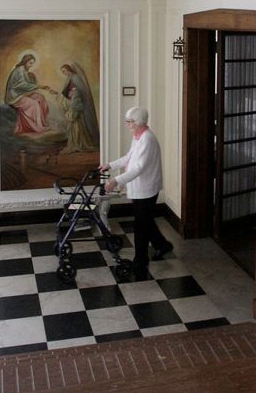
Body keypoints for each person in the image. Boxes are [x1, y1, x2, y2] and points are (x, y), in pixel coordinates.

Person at [99, 106, 173, 280]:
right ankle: (163, 245)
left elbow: (138, 168)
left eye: (130, 121)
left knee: (141, 226)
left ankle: (140, 261)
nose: (128, 125)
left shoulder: (147, 139)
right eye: (127, 121)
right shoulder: (138, 137)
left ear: (140, 122)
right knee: (145, 220)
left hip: (146, 189)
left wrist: (115, 181)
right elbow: (129, 158)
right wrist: (110, 165)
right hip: (141, 188)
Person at [4, 53, 51, 135]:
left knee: (41, 98)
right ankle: (38, 128)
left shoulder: (25, 71)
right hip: (14, 96)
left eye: (33, 63)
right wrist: (39, 86)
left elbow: (28, 83)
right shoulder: (19, 70)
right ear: (25, 62)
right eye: (30, 63)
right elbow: (22, 85)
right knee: (34, 104)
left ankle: (42, 123)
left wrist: (34, 81)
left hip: (22, 93)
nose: (31, 65)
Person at [59, 63, 100, 147]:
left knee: (78, 126)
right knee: (74, 126)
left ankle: (80, 143)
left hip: (78, 104)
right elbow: (67, 91)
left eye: (64, 71)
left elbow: (82, 91)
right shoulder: (70, 78)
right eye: (62, 72)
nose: (64, 73)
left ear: (68, 69)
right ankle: (75, 143)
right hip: (74, 102)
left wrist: (74, 92)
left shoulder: (75, 77)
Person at [55, 84, 96, 154]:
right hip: (75, 119)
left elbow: (73, 114)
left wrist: (68, 115)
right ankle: (75, 144)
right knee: (75, 133)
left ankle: (77, 145)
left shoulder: (76, 99)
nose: (68, 95)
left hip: (77, 121)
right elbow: (69, 104)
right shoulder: (74, 99)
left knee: (77, 132)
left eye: (69, 93)